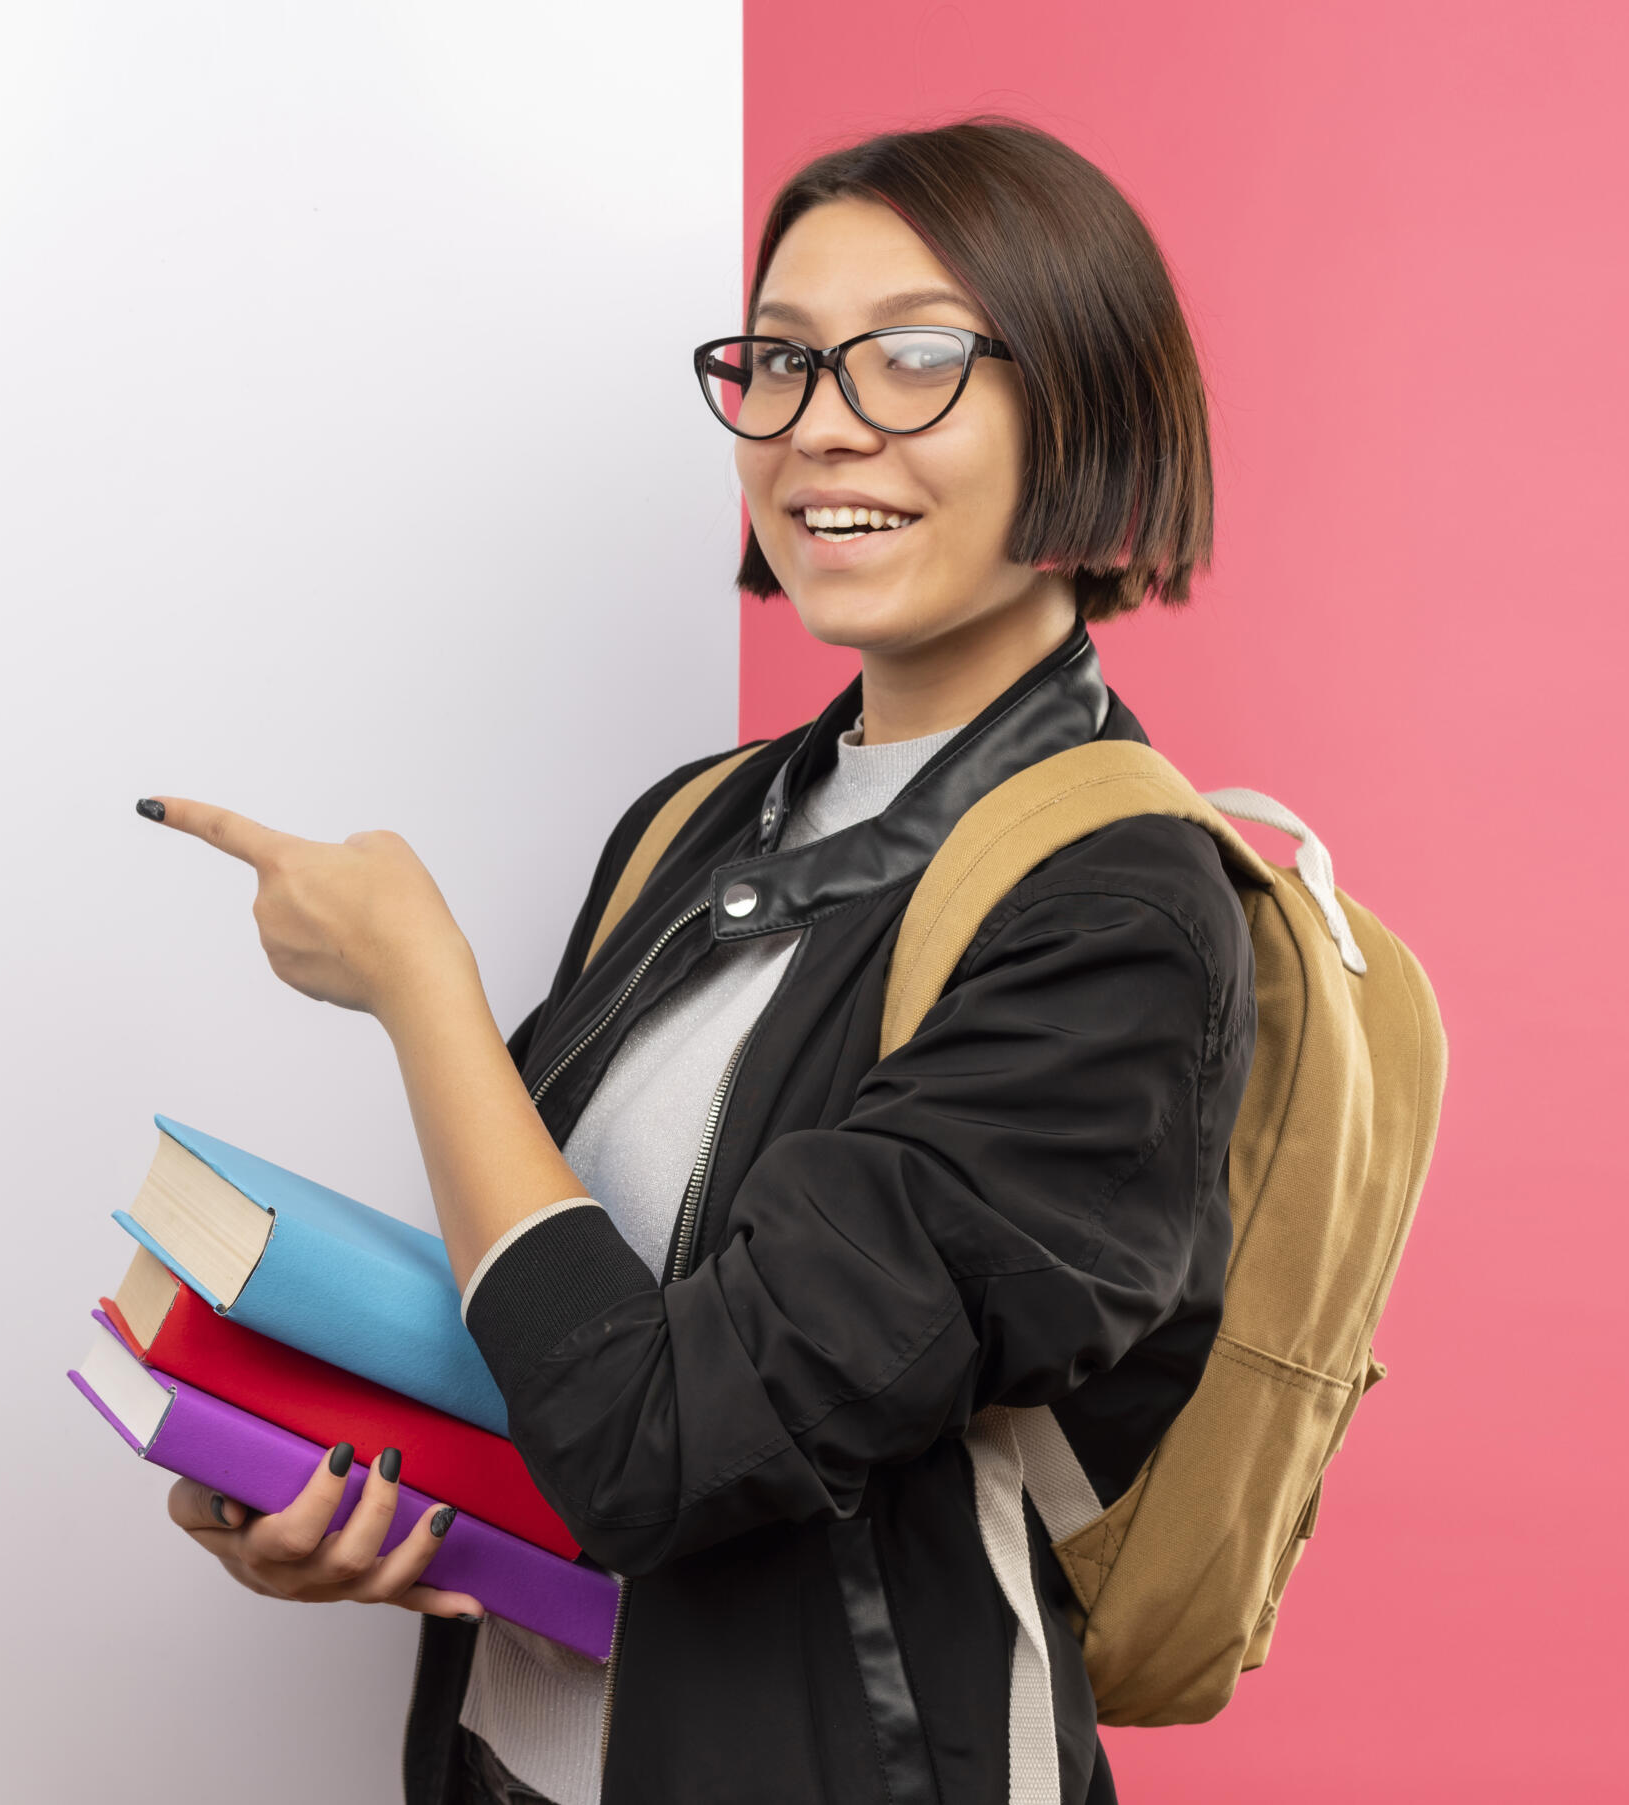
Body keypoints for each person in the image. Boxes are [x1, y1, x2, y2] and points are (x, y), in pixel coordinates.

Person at [139, 119, 1249, 1805]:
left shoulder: (1115, 912)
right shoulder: (699, 821)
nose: (820, 426)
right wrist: (318, 1472)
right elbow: (556, 1326)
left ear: (1083, 402)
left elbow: (654, 1447)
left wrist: (422, 990)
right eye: (782, 360)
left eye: (914, 359)